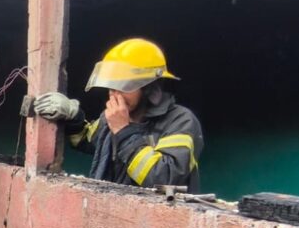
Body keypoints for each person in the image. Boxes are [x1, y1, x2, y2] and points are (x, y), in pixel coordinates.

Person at [34, 38, 203, 190]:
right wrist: (72, 116)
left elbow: (165, 178)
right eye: (112, 86)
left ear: (149, 87)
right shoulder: (114, 116)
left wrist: (123, 131)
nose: (115, 94)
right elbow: (88, 140)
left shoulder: (180, 121)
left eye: (124, 86)